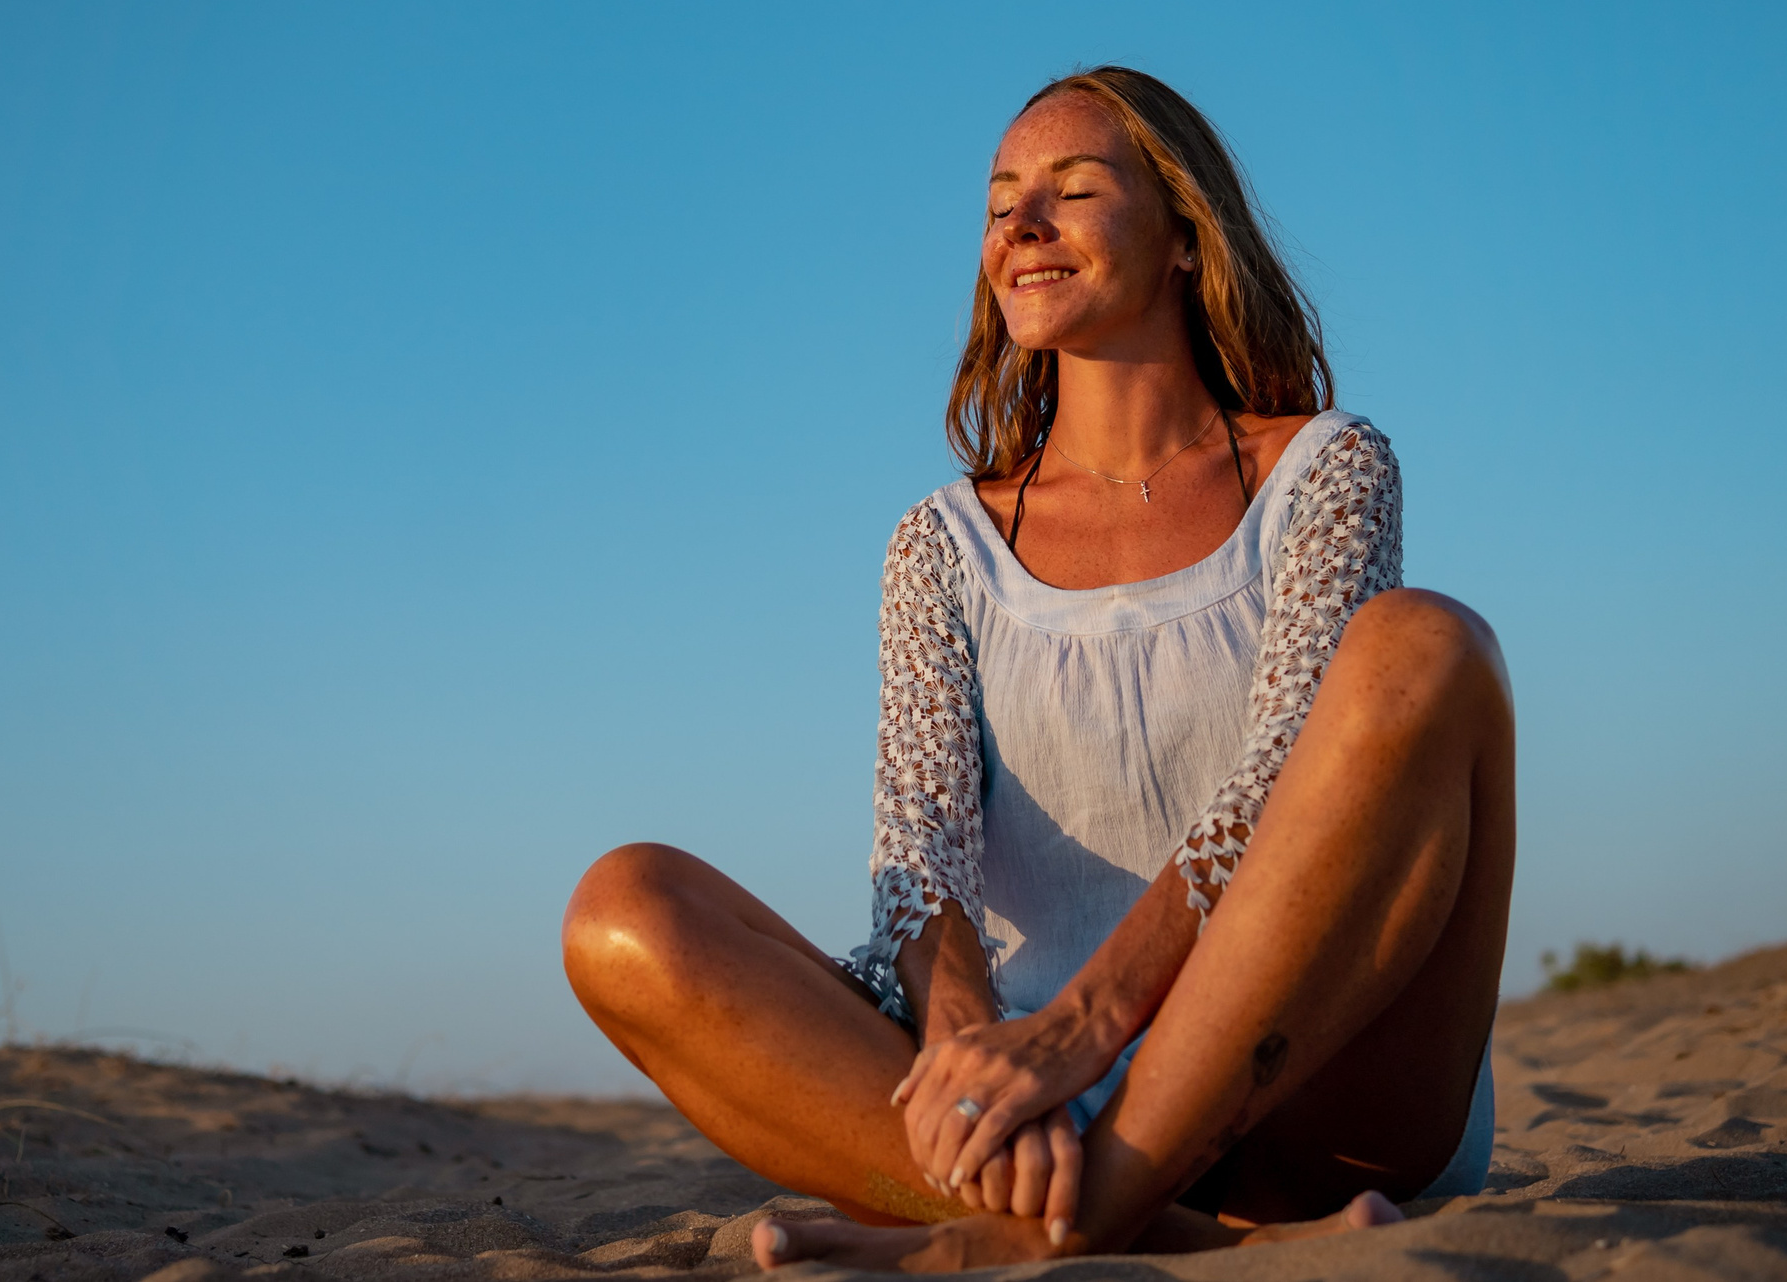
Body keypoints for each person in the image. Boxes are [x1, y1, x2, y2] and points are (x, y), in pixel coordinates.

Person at [562, 66, 1514, 1270]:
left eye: (1071, 190)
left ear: (1182, 234)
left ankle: (997, 1240)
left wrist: (1085, 1025)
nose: (1019, 227)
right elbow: (920, 856)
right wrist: (970, 1042)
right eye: (1000, 200)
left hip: (1312, 1093)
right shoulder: (942, 543)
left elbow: (1281, 781)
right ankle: (1144, 1223)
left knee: (1428, 645)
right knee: (623, 911)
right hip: (1030, 1105)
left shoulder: (1323, 472)